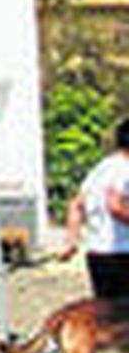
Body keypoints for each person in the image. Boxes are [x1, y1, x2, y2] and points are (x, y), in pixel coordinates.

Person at [60, 116, 129, 301]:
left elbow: (76, 204)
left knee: (107, 317)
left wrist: (71, 241)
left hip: (97, 253)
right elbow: (115, 205)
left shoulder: (101, 169)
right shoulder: (124, 169)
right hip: (121, 253)